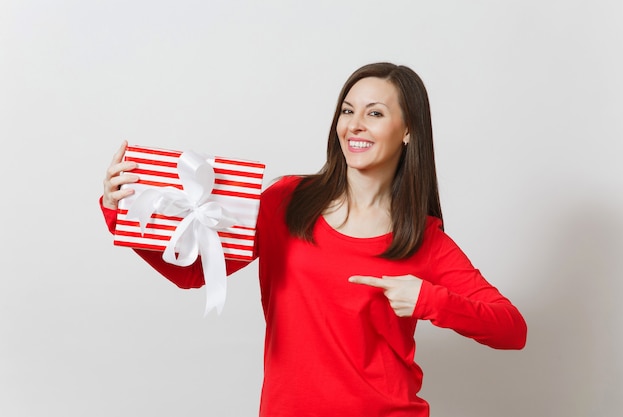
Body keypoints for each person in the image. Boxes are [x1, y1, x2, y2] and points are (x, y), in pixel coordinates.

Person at [101, 62, 527, 416]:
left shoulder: (424, 241)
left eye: (375, 113)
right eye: (347, 110)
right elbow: (194, 274)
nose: (354, 125)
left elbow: (512, 329)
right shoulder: (286, 201)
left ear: (409, 130)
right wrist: (122, 211)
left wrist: (428, 300)